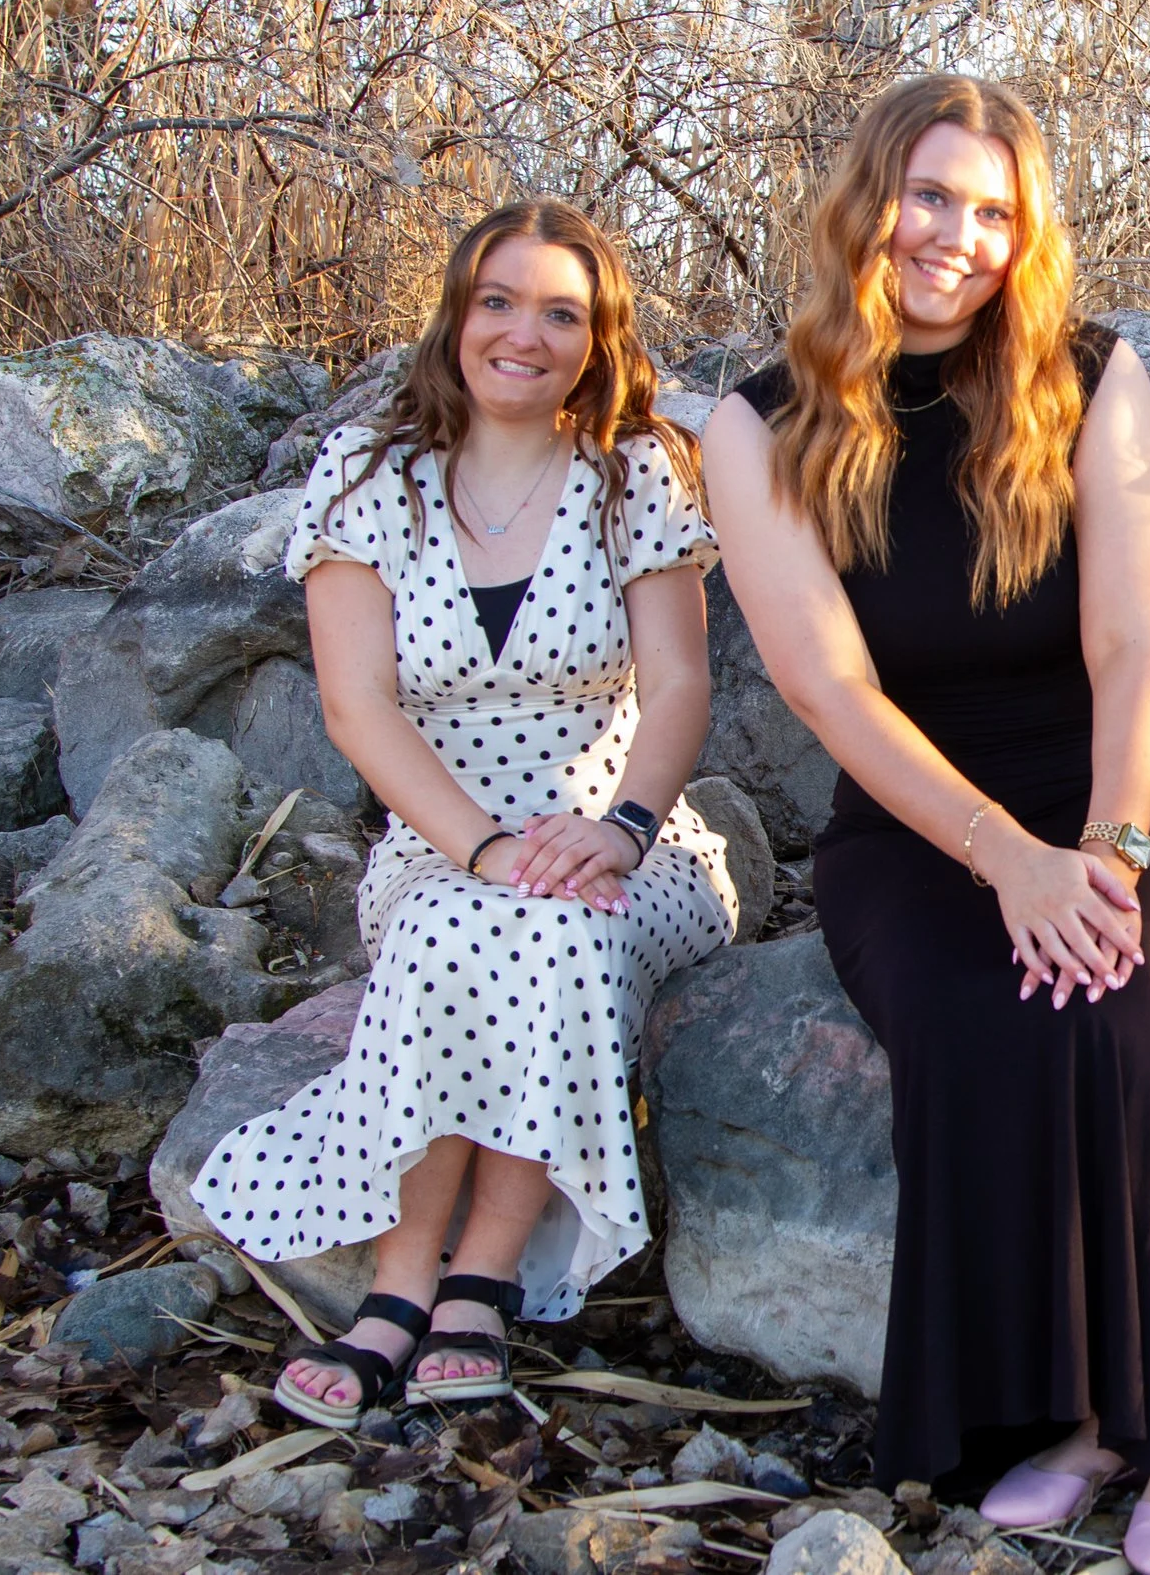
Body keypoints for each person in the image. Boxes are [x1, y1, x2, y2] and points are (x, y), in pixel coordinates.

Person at [700, 76, 1150, 1575]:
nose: (957, 236)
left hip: (1122, 786)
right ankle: (1051, 1416)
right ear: (869, 198)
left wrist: (1108, 854)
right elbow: (828, 685)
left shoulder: (1090, 375)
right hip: (909, 817)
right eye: (931, 195)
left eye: (994, 211)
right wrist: (1005, 857)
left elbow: (1138, 643)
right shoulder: (755, 428)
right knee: (972, 1009)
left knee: (1108, 995)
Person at [192, 200, 739, 1428]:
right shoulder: (368, 479)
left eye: (562, 312)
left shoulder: (636, 471)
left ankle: (475, 1282)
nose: (524, 334)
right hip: (439, 844)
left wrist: (623, 827)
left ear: (596, 340)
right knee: (464, 926)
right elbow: (357, 705)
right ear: (457, 316)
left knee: (554, 926)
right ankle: (402, 1282)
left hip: (623, 841)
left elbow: (683, 684)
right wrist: (485, 848)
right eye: (499, 301)